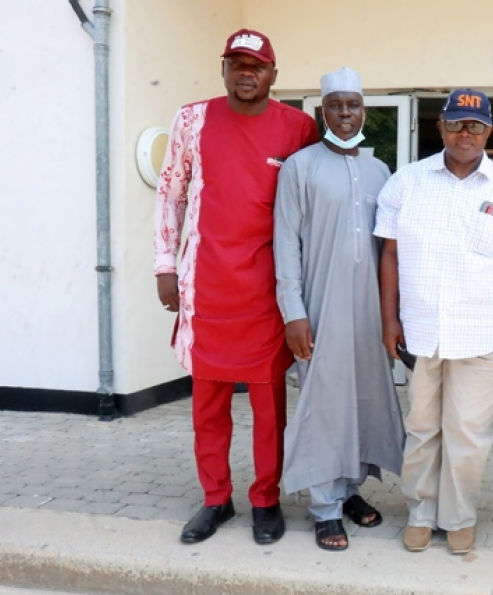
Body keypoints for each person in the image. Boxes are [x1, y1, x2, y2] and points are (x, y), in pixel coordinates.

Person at [154, 28, 318, 545]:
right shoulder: (191, 120)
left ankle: (265, 499)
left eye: (257, 66)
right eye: (237, 64)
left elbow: (310, 209)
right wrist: (164, 266)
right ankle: (215, 498)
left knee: (269, 408)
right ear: (224, 69)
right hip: (205, 289)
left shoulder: (298, 128)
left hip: (268, 294)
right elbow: (170, 194)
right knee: (208, 405)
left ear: (274, 74)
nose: (246, 73)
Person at [373, 88, 493, 555]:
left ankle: (459, 515)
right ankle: (421, 512)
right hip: (421, 330)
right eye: (457, 124)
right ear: (440, 128)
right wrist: (389, 319)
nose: (466, 134)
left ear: (489, 131)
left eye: (476, 125)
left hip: (487, 332)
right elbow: (389, 255)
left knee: (467, 432)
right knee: (423, 427)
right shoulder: (406, 182)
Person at [273, 67, 406, 551]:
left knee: (363, 400)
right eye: (336, 105)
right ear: (321, 111)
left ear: (363, 111)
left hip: (369, 311)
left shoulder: (380, 171)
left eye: (353, 105)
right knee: (324, 404)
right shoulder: (299, 167)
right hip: (320, 307)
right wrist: (293, 312)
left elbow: (391, 249)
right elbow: (285, 243)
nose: (345, 114)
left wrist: (395, 315)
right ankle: (325, 507)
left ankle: (350, 490)